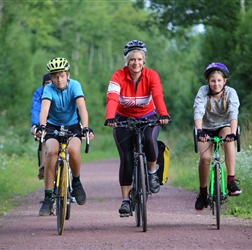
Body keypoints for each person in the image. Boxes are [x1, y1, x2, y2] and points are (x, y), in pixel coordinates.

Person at [104, 40, 171, 216]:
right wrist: (110, 117)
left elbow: (157, 95)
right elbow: (112, 98)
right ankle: (126, 200)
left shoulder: (152, 76)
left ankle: (151, 173)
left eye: (139, 59)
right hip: (123, 119)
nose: (136, 63)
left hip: (147, 117)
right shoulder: (117, 76)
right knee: (126, 158)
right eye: (132, 59)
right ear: (127, 61)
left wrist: (163, 114)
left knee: (150, 140)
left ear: (144, 60)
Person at [36, 57, 94, 216]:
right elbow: (44, 110)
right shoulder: (48, 89)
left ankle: (76, 182)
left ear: (67, 75)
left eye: (61, 75)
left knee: (74, 150)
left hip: (73, 125)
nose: (58, 79)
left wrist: (86, 127)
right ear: (51, 78)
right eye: (54, 77)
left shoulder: (75, 85)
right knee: (51, 153)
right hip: (53, 126)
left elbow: (82, 107)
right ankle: (48, 197)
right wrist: (42, 125)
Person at [193, 62, 242, 211]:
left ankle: (231, 181)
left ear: (224, 81)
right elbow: (198, 110)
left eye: (219, 81)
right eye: (213, 81)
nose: (216, 84)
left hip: (224, 127)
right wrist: (199, 130)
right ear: (208, 81)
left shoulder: (230, 93)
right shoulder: (203, 92)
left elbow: (233, 112)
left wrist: (233, 133)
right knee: (206, 158)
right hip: (205, 128)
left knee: (228, 141)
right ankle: (202, 193)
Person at [30, 73, 52, 180]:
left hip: (60, 120)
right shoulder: (39, 93)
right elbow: (35, 109)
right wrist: (35, 124)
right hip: (45, 121)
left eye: (51, 83)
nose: (49, 86)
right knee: (44, 139)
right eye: (46, 84)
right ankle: (43, 167)